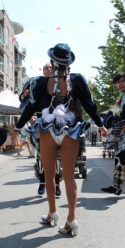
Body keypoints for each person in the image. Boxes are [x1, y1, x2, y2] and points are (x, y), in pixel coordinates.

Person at [14, 43, 107, 236]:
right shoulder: (78, 80)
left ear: (52, 62)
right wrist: (101, 124)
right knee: (70, 177)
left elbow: (30, 107)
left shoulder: (41, 83)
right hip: (71, 131)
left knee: (49, 175)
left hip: (47, 129)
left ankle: (52, 213)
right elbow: (90, 105)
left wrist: (16, 127)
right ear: (68, 63)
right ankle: (71, 219)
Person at [20, 62, 62, 196]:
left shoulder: (60, 82)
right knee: (42, 155)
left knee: (58, 156)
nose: (49, 69)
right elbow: (23, 100)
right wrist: (25, 95)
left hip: (58, 122)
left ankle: (57, 184)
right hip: (41, 122)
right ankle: (42, 182)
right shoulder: (35, 82)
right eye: (46, 68)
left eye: (51, 68)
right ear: (43, 71)